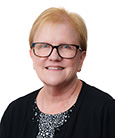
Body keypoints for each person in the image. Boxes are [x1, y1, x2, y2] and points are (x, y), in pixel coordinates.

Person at [0, 7, 115, 138]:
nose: (54, 57)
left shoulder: (105, 111)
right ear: (32, 55)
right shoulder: (15, 113)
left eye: (66, 47)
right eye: (44, 46)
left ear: (81, 58)